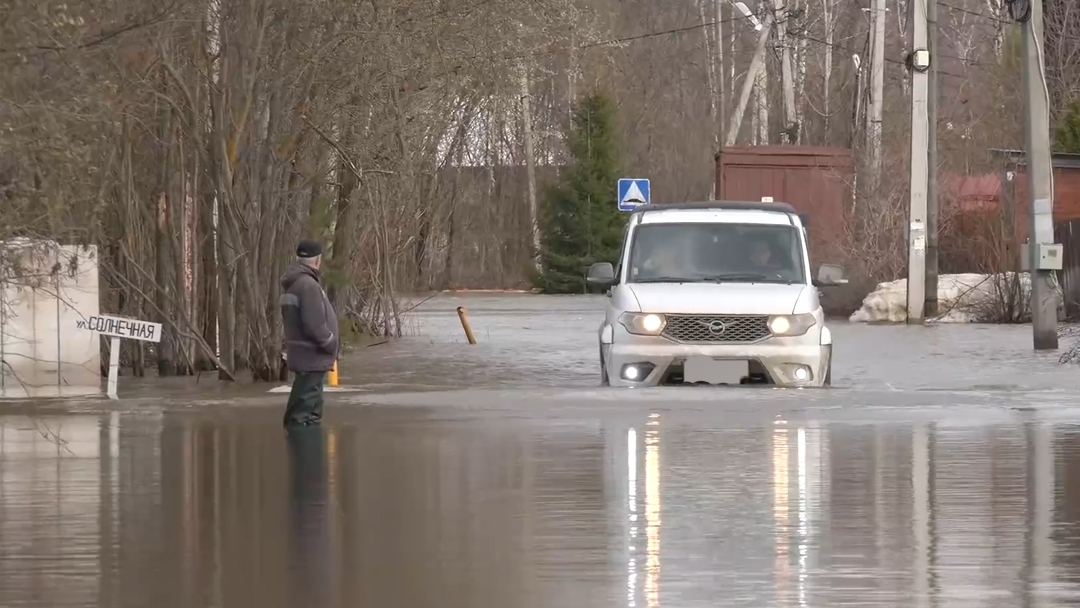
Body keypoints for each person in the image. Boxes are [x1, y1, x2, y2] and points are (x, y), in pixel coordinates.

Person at [280, 240, 339, 428]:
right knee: (303, 413)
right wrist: (329, 341)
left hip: (305, 355)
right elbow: (313, 324)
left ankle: (308, 453)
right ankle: (304, 453)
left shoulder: (295, 283)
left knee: (306, 408)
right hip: (312, 356)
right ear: (318, 260)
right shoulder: (308, 286)